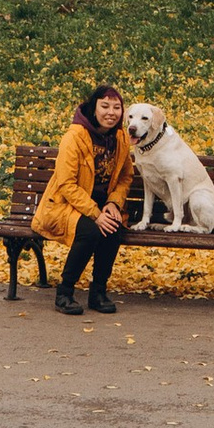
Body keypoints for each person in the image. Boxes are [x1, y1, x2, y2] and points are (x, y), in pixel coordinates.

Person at [35, 83, 135, 316]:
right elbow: (66, 184)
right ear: (94, 108)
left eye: (117, 107)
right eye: (105, 106)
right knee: (91, 230)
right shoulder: (75, 137)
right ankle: (65, 292)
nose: (111, 112)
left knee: (114, 228)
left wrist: (113, 204)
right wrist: (96, 214)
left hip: (102, 205)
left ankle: (98, 292)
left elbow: (125, 176)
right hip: (64, 205)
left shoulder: (120, 137)